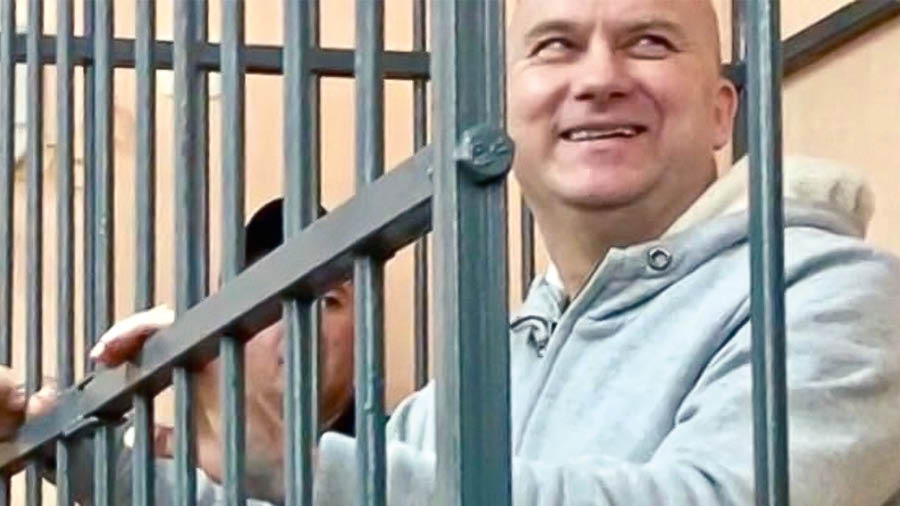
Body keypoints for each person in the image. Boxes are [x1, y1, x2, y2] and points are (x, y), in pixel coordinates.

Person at [311, 0, 900, 504]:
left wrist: (321, 477)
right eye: (556, 46)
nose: (599, 79)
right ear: (504, 115)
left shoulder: (834, 296)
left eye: (648, 42)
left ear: (722, 111)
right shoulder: (494, 361)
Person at [0, 198, 356, 504]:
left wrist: (287, 467)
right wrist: (39, 423)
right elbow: (148, 484)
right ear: (234, 334)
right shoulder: (204, 469)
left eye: (327, 301)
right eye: (269, 303)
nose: (298, 321)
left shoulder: (407, 437)